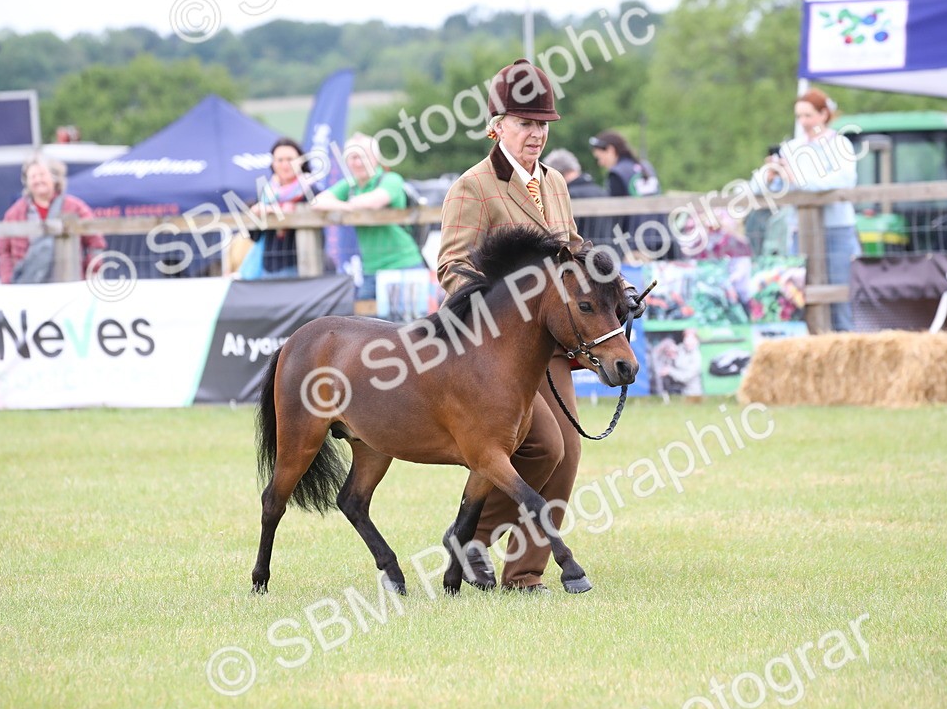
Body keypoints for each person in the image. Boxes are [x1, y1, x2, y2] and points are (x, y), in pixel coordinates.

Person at [438, 58, 646, 593]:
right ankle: (473, 538)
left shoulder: (554, 183)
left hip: (560, 341)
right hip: (501, 352)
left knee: (567, 454)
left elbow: (572, 253)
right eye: (525, 123)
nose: (536, 133)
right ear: (497, 124)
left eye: (542, 124)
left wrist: (615, 295)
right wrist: (490, 312)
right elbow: (452, 266)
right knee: (544, 447)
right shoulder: (473, 187)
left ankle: (523, 571)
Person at [760, 88, 859, 331]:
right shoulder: (792, 148)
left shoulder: (840, 144)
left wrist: (796, 177)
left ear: (824, 115)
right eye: (799, 117)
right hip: (800, 230)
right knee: (799, 298)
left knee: (840, 296)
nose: (803, 122)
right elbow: (773, 190)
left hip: (837, 229)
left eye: (808, 115)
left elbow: (841, 181)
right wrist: (772, 176)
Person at [311, 132, 425, 301]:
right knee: (365, 323)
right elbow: (316, 202)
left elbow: (375, 200)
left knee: (413, 324)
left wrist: (346, 206)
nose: (357, 162)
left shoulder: (391, 179)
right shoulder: (350, 186)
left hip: (404, 266)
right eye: (352, 157)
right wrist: (347, 206)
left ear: (376, 158)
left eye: (363, 156)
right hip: (370, 272)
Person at [0, 153, 104, 284]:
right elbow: (3, 251)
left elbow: (96, 243)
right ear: (27, 181)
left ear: (55, 178)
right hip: (27, 285)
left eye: (42, 175)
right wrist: (8, 280)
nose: (38, 180)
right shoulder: (14, 213)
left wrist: (90, 274)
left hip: (67, 284)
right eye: (33, 176)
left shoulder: (75, 207)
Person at [237, 137, 312, 279]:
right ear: (273, 163)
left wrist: (275, 211)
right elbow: (255, 236)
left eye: (290, 159)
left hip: (304, 266)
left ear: (300, 161)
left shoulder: (312, 190)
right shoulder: (266, 193)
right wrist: (254, 214)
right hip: (269, 268)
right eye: (280, 160)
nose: (285, 165)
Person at [588, 129, 669, 258]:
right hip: (662, 236)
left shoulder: (616, 173)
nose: (600, 163)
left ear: (610, 150)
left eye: (600, 157)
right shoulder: (646, 166)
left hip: (634, 244)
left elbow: (616, 216)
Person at [541, 148, 621, 249]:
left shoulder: (567, 196)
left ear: (555, 174)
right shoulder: (601, 192)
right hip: (610, 255)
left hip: (582, 259)